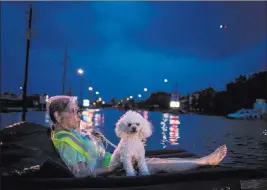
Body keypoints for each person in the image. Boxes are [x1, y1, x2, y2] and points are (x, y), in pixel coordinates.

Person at [47, 95, 227, 177]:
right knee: (153, 164)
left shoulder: (71, 134)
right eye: (73, 112)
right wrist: (113, 168)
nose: (78, 115)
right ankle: (204, 162)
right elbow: (81, 174)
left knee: (152, 160)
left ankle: (202, 161)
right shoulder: (65, 142)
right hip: (110, 170)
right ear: (58, 116)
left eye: (78, 111)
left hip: (111, 162)